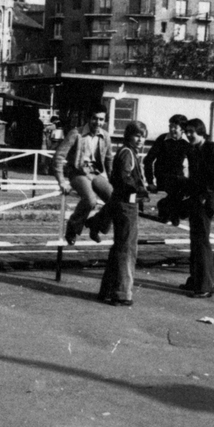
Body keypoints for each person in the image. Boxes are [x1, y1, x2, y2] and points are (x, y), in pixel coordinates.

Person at [98, 120, 149, 307]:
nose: (140, 140)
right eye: (137, 136)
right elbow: (124, 178)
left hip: (121, 204)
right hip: (127, 205)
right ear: (129, 136)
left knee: (119, 248)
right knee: (127, 249)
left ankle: (108, 289)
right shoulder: (128, 153)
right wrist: (141, 188)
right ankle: (122, 293)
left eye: (143, 136)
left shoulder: (127, 152)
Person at [53, 107, 113, 244]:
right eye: (95, 118)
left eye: (101, 119)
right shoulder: (76, 134)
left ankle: (96, 224)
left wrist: (114, 181)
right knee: (90, 200)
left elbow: (109, 161)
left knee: (114, 198)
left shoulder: (105, 136)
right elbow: (58, 156)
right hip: (78, 173)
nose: (98, 122)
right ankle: (72, 226)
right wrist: (61, 181)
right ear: (88, 118)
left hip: (95, 173)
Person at [183, 118, 214, 298]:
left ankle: (206, 286)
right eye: (187, 131)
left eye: (191, 131)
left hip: (207, 201)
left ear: (201, 131)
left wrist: (203, 195)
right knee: (196, 241)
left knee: (202, 242)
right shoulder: (193, 150)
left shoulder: (213, 148)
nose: (188, 135)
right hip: (196, 200)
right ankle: (196, 280)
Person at [143, 114, 192, 226]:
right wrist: (150, 182)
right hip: (163, 177)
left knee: (192, 187)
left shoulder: (186, 144)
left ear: (182, 129)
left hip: (178, 178)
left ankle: (165, 205)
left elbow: (195, 162)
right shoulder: (162, 139)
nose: (171, 129)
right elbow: (148, 160)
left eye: (175, 127)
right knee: (179, 184)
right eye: (170, 126)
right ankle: (170, 211)